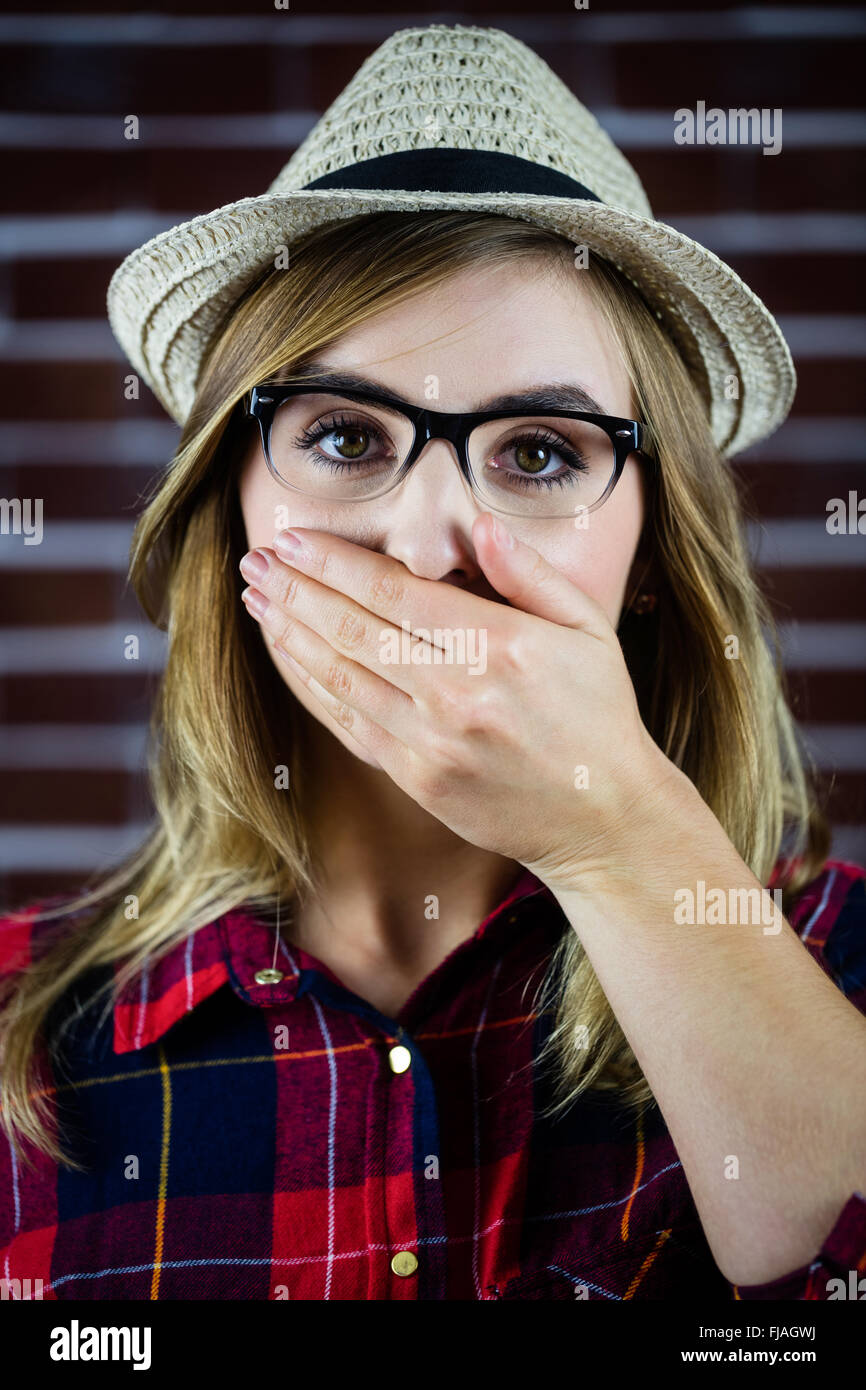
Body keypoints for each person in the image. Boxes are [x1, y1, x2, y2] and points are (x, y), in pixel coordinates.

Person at [1, 23, 864, 1303]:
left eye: (536, 453)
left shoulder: (832, 963)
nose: (426, 541)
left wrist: (614, 834)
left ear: (649, 546)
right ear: (227, 503)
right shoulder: (26, 1035)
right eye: (346, 436)